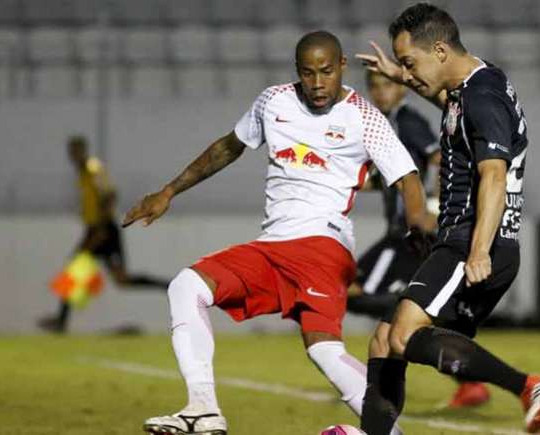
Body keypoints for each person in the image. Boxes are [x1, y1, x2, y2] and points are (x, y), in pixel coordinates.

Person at [124, 31, 428, 435]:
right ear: (296, 73)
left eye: (325, 72)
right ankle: (202, 408)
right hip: (274, 247)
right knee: (191, 288)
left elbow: (407, 177)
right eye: (308, 73)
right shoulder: (273, 101)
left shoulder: (364, 117)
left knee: (322, 347)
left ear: (341, 68)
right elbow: (228, 147)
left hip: (324, 245)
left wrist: (417, 223)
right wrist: (169, 191)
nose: (317, 84)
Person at [355, 4, 540, 434]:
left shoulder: (482, 99)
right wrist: (399, 77)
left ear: (440, 50)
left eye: (412, 62)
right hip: (466, 239)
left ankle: (530, 386)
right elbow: (447, 103)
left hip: (473, 240)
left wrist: (479, 250)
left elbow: (494, 175)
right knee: (385, 340)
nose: (409, 71)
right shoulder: (478, 84)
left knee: (402, 335)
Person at [351, 70, 491, 409]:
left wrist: (438, 209)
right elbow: (387, 178)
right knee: (360, 294)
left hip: (406, 232)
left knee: (352, 292)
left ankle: (410, 318)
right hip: (397, 232)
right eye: (374, 87)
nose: (380, 93)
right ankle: (466, 378)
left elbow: (440, 159)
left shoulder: (408, 121)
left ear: (401, 89)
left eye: (387, 85)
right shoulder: (386, 123)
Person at [38, 136, 169, 333]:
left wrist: (101, 226)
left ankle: (60, 322)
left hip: (103, 229)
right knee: (113, 278)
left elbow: (110, 195)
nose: (73, 155)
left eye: (76, 151)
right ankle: (60, 321)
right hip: (95, 228)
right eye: (71, 152)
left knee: (84, 271)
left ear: (83, 150)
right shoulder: (82, 174)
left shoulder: (93, 169)